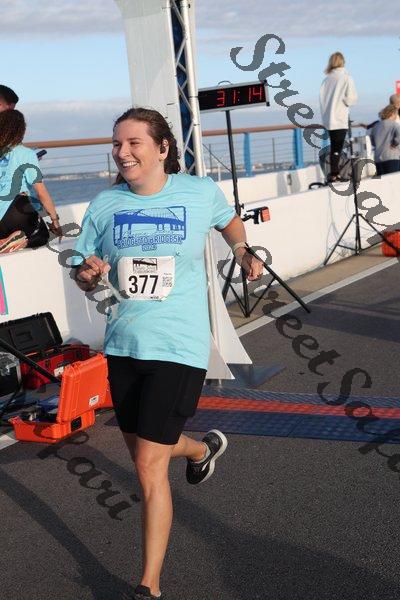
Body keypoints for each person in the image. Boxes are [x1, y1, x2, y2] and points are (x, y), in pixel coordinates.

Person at [71, 107, 263, 600]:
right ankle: (200, 449)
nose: (122, 152)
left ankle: (148, 585)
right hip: (123, 344)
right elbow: (81, 267)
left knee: (148, 466)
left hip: (180, 346)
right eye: (117, 143)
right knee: (144, 450)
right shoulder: (104, 204)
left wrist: (242, 251)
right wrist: (86, 274)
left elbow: (230, 223)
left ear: (162, 149)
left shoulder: (199, 193)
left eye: (133, 142)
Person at [0, 109, 62, 253]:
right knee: (43, 235)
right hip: (16, 211)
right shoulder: (26, 154)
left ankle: (6, 240)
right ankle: (19, 241)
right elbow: (41, 192)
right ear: (21, 130)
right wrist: (55, 220)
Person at [319, 52, 357, 182]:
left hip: (329, 118)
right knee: (338, 146)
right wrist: (345, 101)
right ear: (342, 62)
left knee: (335, 146)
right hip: (340, 117)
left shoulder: (326, 80)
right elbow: (351, 99)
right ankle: (335, 173)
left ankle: (335, 173)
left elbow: (322, 100)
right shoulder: (346, 77)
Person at [370, 104, 400, 175]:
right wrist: (394, 144)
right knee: (394, 180)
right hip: (391, 157)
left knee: (383, 180)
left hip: (378, 158)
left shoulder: (375, 126)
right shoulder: (394, 125)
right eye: (396, 114)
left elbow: (373, 142)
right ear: (392, 113)